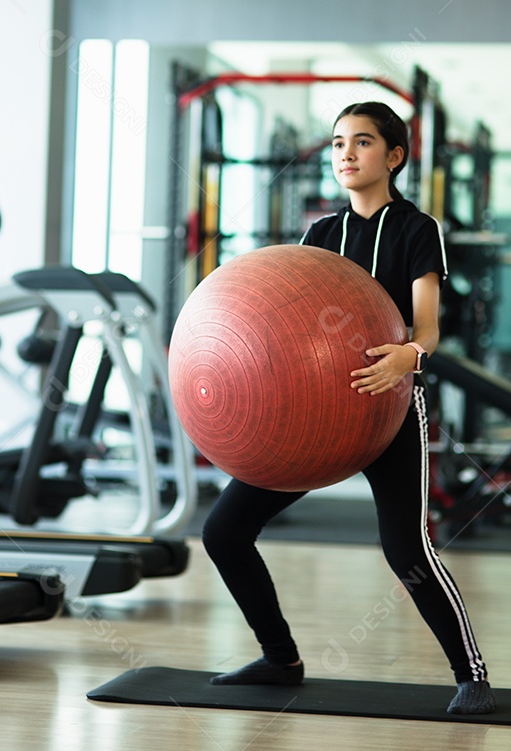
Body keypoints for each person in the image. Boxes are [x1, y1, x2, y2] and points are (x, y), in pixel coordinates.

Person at [201, 100, 495, 715]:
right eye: (337, 144)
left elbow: (428, 330)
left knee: (407, 550)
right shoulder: (319, 235)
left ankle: (472, 676)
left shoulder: (418, 229)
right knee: (224, 530)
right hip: (314, 418)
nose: (345, 154)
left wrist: (405, 358)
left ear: (393, 156)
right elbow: (286, 320)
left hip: (389, 412)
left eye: (361, 143)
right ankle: (279, 658)